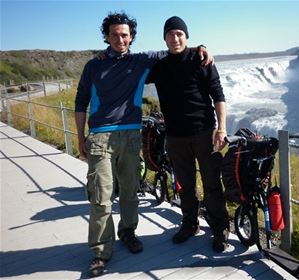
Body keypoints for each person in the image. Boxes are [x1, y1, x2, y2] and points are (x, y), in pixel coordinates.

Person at [75, 12, 212, 277]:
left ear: (131, 37)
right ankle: (101, 252)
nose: (120, 39)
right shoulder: (94, 65)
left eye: (125, 34)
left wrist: (200, 48)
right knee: (101, 196)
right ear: (106, 36)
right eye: (114, 34)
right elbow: (81, 102)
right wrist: (81, 137)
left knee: (129, 190)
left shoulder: (141, 61)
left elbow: (175, 49)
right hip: (101, 137)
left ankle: (128, 232)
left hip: (130, 135)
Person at [146, 16, 230, 253]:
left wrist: (221, 128)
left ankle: (220, 228)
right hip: (175, 137)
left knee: (212, 184)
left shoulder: (200, 59)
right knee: (185, 184)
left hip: (205, 133)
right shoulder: (159, 67)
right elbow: (129, 67)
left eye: (179, 34)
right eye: (170, 34)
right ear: (164, 38)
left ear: (186, 36)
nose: (175, 38)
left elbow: (218, 95)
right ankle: (190, 224)